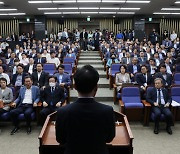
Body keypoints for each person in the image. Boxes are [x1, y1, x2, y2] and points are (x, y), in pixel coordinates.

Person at [56, 65, 115, 154]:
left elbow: (60, 139)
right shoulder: (107, 111)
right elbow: (109, 138)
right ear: (96, 87)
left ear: (75, 86)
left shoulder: (62, 111)